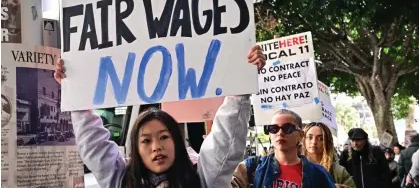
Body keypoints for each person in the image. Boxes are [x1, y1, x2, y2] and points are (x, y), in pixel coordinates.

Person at [54, 45, 266, 188]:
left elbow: (224, 141)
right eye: (146, 140)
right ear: (135, 148)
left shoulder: (201, 178)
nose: (156, 147)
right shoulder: (121, 180)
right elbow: (93, 146)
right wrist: (76, 92)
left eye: (164, 137)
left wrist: (241, 82)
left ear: (177, 141)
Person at [230, 109, 335, 188]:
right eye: (273, 129)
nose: (280, 133)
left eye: (287, 128)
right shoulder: (251, 168)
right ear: (269, 135)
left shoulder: (319, 174)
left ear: (301, 135)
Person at [302, 122, 355, 188]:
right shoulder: (294, 166)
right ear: (304, 140)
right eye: (310, 137)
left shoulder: (339, 172)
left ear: (327, 142)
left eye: (320, 139)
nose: (314, 142)